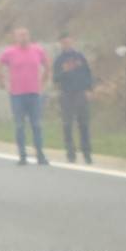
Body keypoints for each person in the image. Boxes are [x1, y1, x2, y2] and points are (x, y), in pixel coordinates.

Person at [0, 27, 51, 166]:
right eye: (20, 35)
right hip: (17, 95)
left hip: (34, 94)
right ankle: (22, 155)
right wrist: (4, 83)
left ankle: (40, 155)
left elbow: (47, 66)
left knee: (37, 125)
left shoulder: (38, 50)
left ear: (29, 36)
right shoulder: (9, 52)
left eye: (25, 34)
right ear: (15, 37)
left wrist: (43, 82)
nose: (23, 37)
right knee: (20, 125)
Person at [52, 33, 94, 164]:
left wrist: (89, 89)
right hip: (66, 95)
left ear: (73, 41)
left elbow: (88, 73)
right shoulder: (59, 60)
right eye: (64, 42)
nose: (67, 44)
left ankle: (87, 154)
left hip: (81, 93)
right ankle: (70, 154)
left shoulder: (80, 56)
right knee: (67, 125)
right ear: (60, 44)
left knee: (84, 125)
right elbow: (55, 79)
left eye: (68, 41)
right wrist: (64, 71)